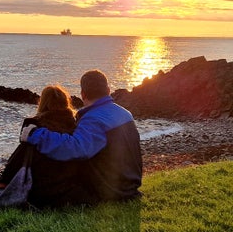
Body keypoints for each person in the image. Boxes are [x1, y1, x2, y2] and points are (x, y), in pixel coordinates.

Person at [20, 70, 142, 204]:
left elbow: (74, 149)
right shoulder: (125, 114)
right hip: (130, 185)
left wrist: (36, 134)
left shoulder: (94, 119)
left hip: (112, 190)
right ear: (108, 90)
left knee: (44, 187)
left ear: (83, 94)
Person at [0, 85, 87, 208]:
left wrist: (3, 181)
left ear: (43, 103)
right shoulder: (76, 125)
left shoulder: (33, 126)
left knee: (26, 148)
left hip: (40, 191)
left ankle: (3, 183)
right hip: (70, 188)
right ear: (66, 103)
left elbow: (17, 159)